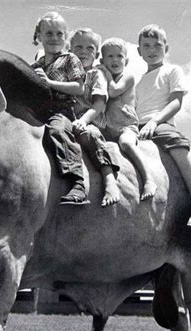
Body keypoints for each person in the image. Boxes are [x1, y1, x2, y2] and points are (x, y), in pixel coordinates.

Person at [136, 24, 191, 227]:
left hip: (160, 122)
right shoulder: (139, 82)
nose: (151, 50)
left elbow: (176, 102)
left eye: (157, 45)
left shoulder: (171, 70)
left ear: (166, 48)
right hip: (138, 126)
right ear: (139, 51)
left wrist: (155, 121)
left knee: (176, 144)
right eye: (146, 46)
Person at [31, 12, 89, 205]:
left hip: (62, 110)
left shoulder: (70, 59)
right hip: (39, 111)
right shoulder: (36, 65)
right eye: (49, 34)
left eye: (59, 34)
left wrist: (48, 82)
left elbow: (78, 87)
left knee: (57, 130)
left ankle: (77, 183)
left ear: (65, 36)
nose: (54, 38)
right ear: (39, 36)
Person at [97, 37, 158, 201]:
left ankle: (149, 179)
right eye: (110, 57)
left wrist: (106, 74)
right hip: (108, 127)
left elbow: (114, 91)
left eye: (119, 56)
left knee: (126, 143)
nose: (115, 60)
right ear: (103, 60)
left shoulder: (128, 77)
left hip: (126, 126)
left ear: (127, 60)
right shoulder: (103, 78)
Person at [69, 28, 121, 207]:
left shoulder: (96, 75)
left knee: (90, 135)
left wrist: (83, 121)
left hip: (90, 119)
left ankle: (109, 178)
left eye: (90, 48)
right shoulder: (66, 75)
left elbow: (99, 105)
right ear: (70, 50)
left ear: (97, 54)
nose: (84, 51)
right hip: (68, 119)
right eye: (78, 47)